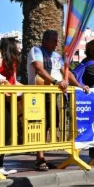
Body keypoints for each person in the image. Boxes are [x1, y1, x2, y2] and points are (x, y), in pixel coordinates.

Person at [27, 30, 85, 171]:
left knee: (51, 124)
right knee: (40, 124)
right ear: (45, 40)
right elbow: (39, 69)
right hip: (39, 94)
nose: (56, 43)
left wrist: (80, 85)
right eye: (53, 40)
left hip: (53, 95)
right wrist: (55, 82)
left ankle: (42, 156)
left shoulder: (57, 56)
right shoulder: (36, 51)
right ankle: (39, 157)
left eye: (57, 40)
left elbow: (66, 73)